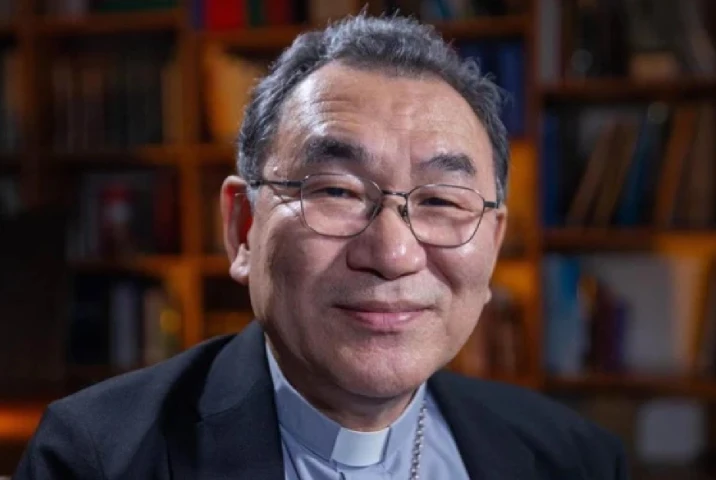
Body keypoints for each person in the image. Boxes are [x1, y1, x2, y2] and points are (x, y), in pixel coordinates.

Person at [15, 13, 628, 480]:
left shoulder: (574, 458)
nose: (392, 254)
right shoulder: (96, 458)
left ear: (492, 245)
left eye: (442, 200)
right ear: (244, 227)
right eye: (336, 190)